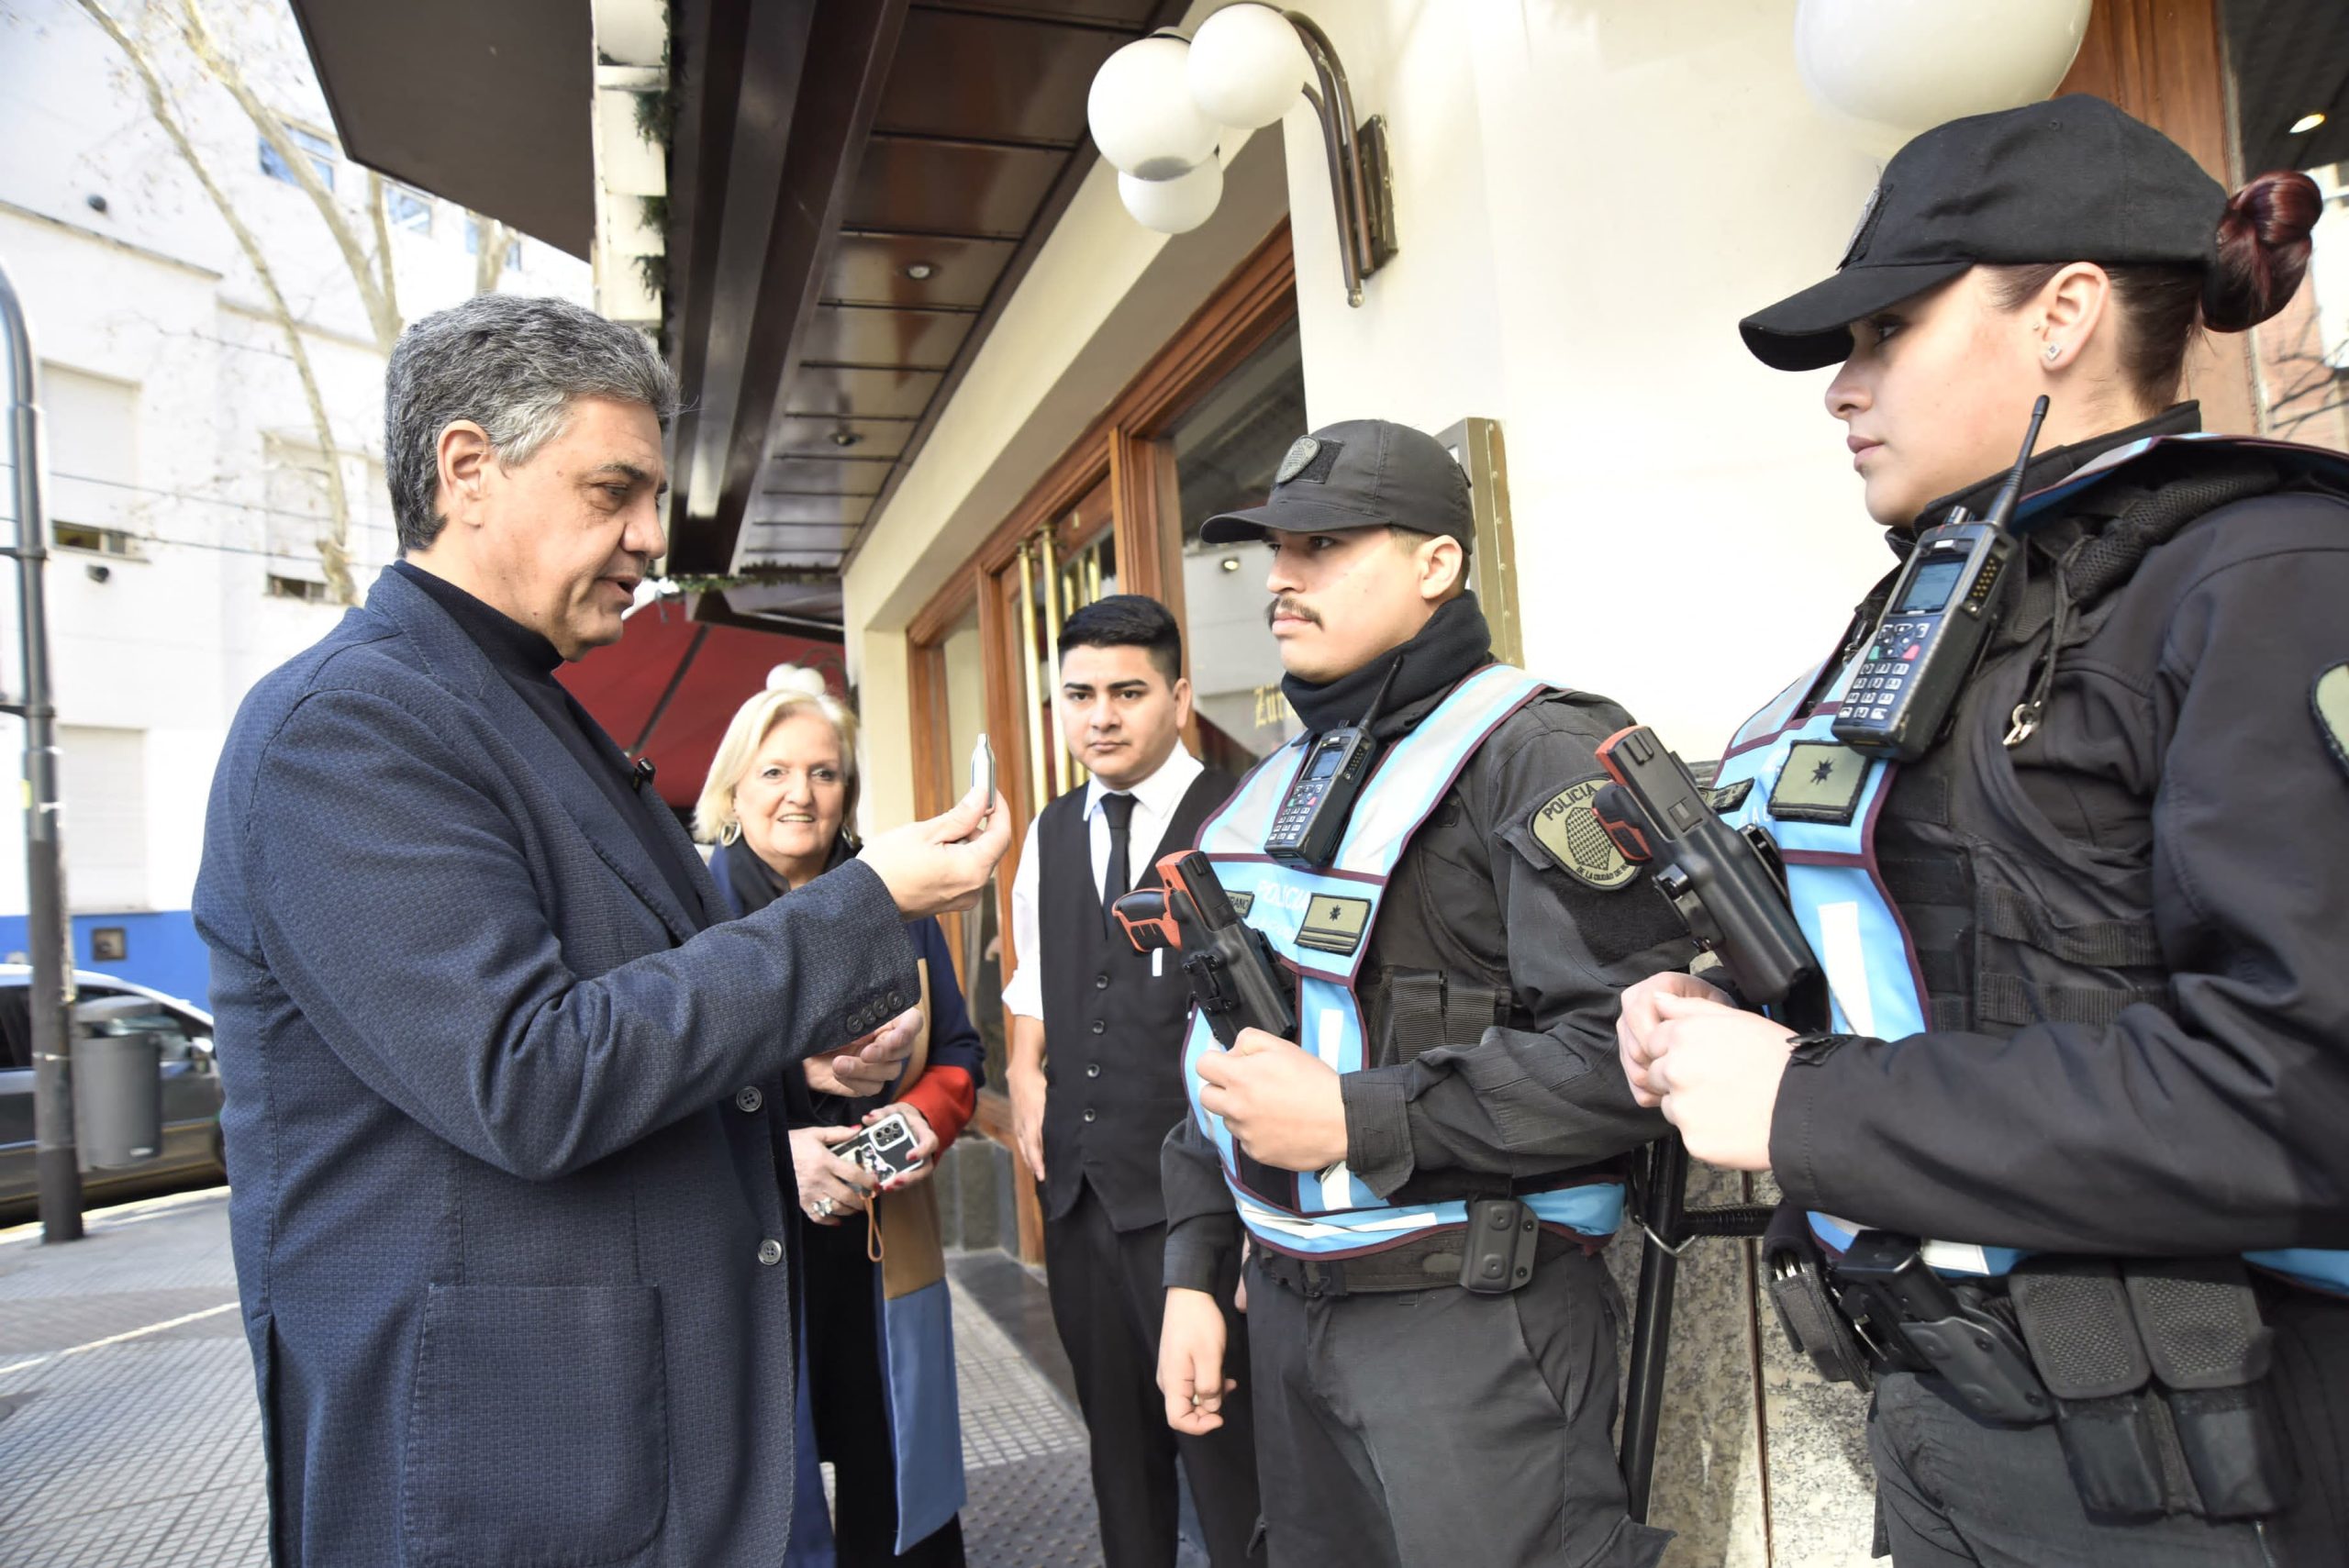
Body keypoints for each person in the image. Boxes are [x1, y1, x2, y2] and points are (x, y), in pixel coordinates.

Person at [1618, 95, 2348, 1564]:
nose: (1844, 386)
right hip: (1957, 1403)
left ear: (2065, 310)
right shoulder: (1957, 594)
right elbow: (1991, 964)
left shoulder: (2268, 574)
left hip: (2196, 1459)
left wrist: (1809, 1104)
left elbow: (2305, 1085)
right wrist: (1746, 1010)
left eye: (1885, 331)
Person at [193, 294, 1010, 1567]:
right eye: (615, 491)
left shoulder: (518, 703)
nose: (647, 539)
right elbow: (533, 1075)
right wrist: (869, 902)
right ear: (468, 470)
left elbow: (652, 1010)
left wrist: (796, 1062)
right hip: (522, 1478)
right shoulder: (346, 730)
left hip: (637, 1454)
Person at [1156, 419, 1692, 1568]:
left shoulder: (1543, 751)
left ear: (1436, 564)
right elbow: (1230, 1054)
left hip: (1472, 1329)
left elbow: (1632, 1055)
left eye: (1325, 544)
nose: (1282, 577)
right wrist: (1192, 1271)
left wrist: (1358, 1116)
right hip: (1290, 1315)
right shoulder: (1274, 785)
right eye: (1274, 549)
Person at [999, 594, 1263, 1568]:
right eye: (1077, 694)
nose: (1099, 715)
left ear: (1179, 695)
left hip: (1200, 1205)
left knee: (1230, 1459)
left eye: (1125, 691)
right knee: (1118, 1457)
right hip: (1078, 1195)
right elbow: (1033, 970)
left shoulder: (1240, 817)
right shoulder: (1050, 828)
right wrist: (1024, 1069)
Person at [698, 667, 982, 1567]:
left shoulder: (892, 902)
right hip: (744, 1240)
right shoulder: (689, 912)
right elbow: (663, 1081)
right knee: (763, 1500)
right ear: (732, 786)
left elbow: (962, 1052)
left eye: (823, 772)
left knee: (895, 1479)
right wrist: (796, 1081)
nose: (800, 794)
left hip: (879, 1236)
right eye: (775, 770)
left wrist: (915, 1118)